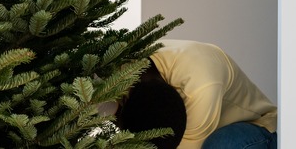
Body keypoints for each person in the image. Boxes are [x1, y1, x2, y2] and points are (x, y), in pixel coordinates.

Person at [114, 39, 277, 149]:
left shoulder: (201, 87)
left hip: (257, 127)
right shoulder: (125, 72)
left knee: (221, 144)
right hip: (199, 125)